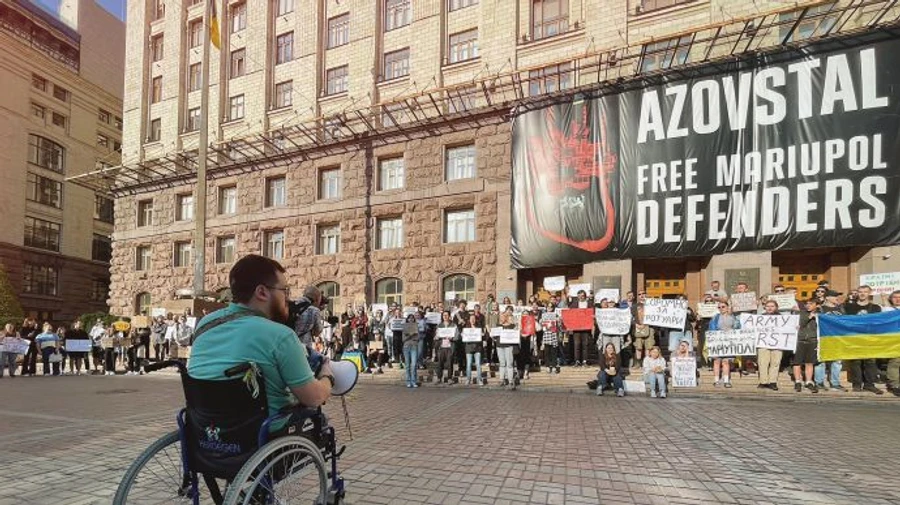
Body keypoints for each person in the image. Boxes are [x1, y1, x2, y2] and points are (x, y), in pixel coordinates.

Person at [189, 255, 334, 429]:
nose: (288, 299)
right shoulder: (280, 335)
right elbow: (314, 398)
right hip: (260, 437)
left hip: (206, 434)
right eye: (284, 291)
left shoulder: (205, 324)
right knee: (320, 422)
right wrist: (327, 376)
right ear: (262, 292)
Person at [843, 285, 884, 394]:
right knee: (855, 361)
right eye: (860, 292)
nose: (862, 294)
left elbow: (879, 322)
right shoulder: (849, 307)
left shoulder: (876, 308)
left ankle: (870, 384)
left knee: (870, 362)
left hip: (869, 338)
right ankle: (857, 384)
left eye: (865, 292)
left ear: (869, 293)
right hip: (854, 338)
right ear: (857, 293)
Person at [814, 290, 846, 391]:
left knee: (837, 361)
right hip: (824, 338)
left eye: (837, 296)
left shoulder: (841, 309)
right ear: (827, 297)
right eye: (834, 296)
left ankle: (835, 383)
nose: (837, 298)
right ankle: (819, 382)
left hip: (838, 338)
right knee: (821, 360)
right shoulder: (820, 309)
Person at [793, 298, 820, 393]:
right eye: (806, 304)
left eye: (811, 304)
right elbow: (799, 325)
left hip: (812, 341)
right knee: (797, 362)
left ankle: (808, 381)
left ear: (816, 305)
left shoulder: (820, 315)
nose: (808, 305)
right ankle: (797, 381)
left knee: (809, 362)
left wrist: (816, 318)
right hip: (800, 340)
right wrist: (808, 317)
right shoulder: (800, 314)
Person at [709, 302, 738, 388]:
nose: (721, 308)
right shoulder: (715, 317)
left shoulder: (733, 317)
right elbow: (711, 328)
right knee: (717, 361)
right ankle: (716, 381)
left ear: (727, 307)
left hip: (728, 342)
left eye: (723, 306)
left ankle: (726, 381)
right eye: (719, 307)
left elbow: (738, 327)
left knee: (726, 361)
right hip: (717, 341)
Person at [756, 300, 784, 391]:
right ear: (765, 307)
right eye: (768, 306)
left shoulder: (782, 318)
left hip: (777, 344)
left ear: (776, 307)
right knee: (762, 362)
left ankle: (773, 382)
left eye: (772, 306)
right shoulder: (760, 318)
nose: (770, 308)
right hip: (763, 343)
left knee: (775, 363)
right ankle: (763, 382)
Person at [883, 290, 900, 397]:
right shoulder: (886, 309)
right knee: (895, 362)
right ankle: (895, 385)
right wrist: (884, 301)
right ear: (891, 299)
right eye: (895, 297)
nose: (898, 299)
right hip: (893, 341)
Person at [497, 306, 517, 390]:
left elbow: (516, 334)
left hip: (508, 346)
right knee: (502, 363)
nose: (502, 317)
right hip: (499, 345)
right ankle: (501, 379)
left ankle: (510, 381)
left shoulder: (512, 325)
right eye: (501, 316)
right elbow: (494, 335)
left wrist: (514, 324)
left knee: (509, 363)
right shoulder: (498, 325)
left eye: (504, 316)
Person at [435, 311, 457, 384]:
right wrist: (436, 337)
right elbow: (436, 336)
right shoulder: (439, 326)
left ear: (449, 316)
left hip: (450, 347)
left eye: (446, 315)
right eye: (444, 315)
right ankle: (439, 378)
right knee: (440, 363)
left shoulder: (453, 325)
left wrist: (452, 338)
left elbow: (457, 336)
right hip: (441, 347)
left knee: (450, 363)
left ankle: (449, 378)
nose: (445, 316)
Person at [571, 290, 592, 367]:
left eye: (582, 296)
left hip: (586, 328)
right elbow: (570, 314)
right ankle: (577, 361)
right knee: (577, 345)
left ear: (585, 296)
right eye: (579, 296)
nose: (581, 297)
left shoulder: (589, 304)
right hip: (576, 328)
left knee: (585, 345)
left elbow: (592, 313)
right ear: (577, 296)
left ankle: (584, 361)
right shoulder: (574, 304)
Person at [463, 314, 485, 386]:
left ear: (476, 320)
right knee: (468, 364)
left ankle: (479, 380)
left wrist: (482, 334)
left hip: (477, 348)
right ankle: (468, 379)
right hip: (469, 347)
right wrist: (463, 335)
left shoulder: (479, 327)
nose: (472, 320)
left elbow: (483, 336)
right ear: (469, 320)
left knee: (478, 364)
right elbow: (463, 337)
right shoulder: (466, 328)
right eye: (471, 318)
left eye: (474, 319)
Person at [540, 304, 561, 375]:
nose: (549, 308)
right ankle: (548, 366)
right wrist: (541, 322)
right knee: (546, 352)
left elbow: (560, 325)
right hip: (546, 335)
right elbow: (541, 325)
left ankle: (554, 366)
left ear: (553, 308)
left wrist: (558, 320)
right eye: (548, 307)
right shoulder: (543, 315)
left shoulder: (556, 315)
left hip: (553, 335)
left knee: (554, 352)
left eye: (551, 307)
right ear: (546, 308)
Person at [517, 307, 536, 381]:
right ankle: (519, 372)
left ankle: (526, 372)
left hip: (529, 341)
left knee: (527, 357)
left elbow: (539, 328)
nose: (525, 315)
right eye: (523, 314)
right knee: (519, 357)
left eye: (526, 314)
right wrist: (520, 325)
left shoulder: (531, 321)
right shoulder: (519, 321)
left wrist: (534, 321)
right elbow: (516, 330)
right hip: (520, 341)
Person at [402, 314, 419, 388]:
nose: (411, 319)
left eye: (412, 318)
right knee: (408, 365)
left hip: (414, 346)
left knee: (414, 364)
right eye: (409, 318)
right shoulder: (405, 327)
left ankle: (414, 381)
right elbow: (403, 339)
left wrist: (412, 336)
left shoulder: (416, 326)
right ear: (407, 319)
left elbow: (417, 338)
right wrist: (411, 335)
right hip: (406, 346)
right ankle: (408, 381)